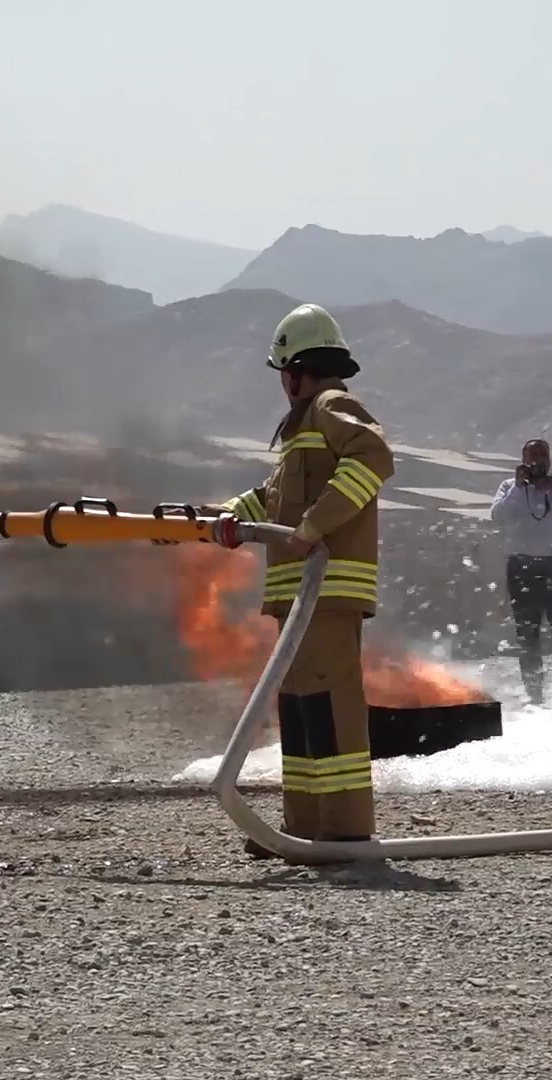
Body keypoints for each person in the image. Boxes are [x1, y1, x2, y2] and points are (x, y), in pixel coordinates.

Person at [212, 303, 395, 864]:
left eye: (282, 374)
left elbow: (374, 456)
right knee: (300, 705)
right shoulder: (302, 430)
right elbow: (274, 500)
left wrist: (314, 527)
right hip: (298, 599)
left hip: (328, 589)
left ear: (294, 369)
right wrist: (218, 518)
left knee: (330, 704)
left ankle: (344, 832)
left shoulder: (332, 405)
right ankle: (303, 828)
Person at [488, 438, 552, 706]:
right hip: (521, 566)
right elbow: (497, 516)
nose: (536, 462)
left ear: (549, 460)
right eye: (531, 456)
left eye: (541, 456)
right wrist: (517, 488)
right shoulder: (508, 487)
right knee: (527, 633)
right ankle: (535, 696)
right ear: (523, 459)